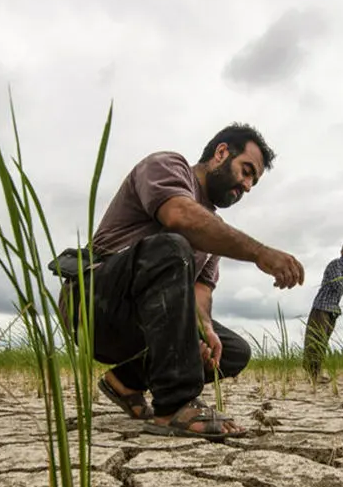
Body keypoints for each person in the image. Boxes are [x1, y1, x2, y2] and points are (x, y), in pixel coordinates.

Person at [60, 123, 305, 439]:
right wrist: (259, 253)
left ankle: (126, 382)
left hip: (144, 323)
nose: (247, 186)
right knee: (173, 245)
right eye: (246, 171)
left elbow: (200, 294)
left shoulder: (213, 230)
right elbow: (178, 216)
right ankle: (175, 406)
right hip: (94, 304)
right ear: (220, 153)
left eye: (253, 182)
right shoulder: (168, 166)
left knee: (232, 350)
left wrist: (204, 331)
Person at [303, 241, 343, 383]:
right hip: (322, 307)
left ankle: (316, 373)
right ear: (342, 251)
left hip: (332, 309)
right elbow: (336, 285)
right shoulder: (336, 264)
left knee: (323, 343)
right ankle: (312, 374)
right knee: (315, 340)